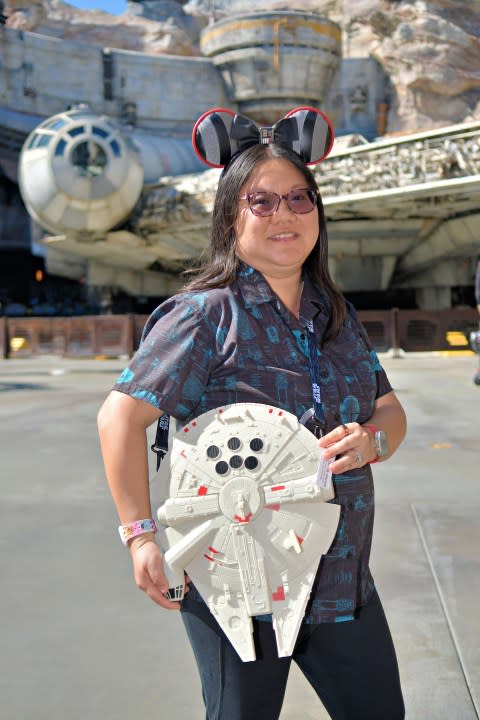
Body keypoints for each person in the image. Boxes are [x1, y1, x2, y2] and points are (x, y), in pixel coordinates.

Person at [97, 106, 407, 720]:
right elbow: (119, 418)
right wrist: (139, 537)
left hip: (342, 580)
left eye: (299, 198)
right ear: (230, 216)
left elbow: (390, 410)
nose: (285, 214)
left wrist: (373, 440)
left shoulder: (336, 316)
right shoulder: (204, 317)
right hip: (236, 583)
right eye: (261, 202)